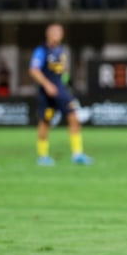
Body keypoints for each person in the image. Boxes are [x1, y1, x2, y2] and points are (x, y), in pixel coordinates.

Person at [29, 23, 93, 166]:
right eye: (55, 32)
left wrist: (67, 81)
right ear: (48, 34)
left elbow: (62, 71)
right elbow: (34, 70)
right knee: (45, 122)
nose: (58, 34)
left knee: (74, 117)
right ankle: (42, 156)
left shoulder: (61, 50)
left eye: (60, 32)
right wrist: (47, 85)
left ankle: (77, 154)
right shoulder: (41, 50)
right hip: (47, 92)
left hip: (61, 91)